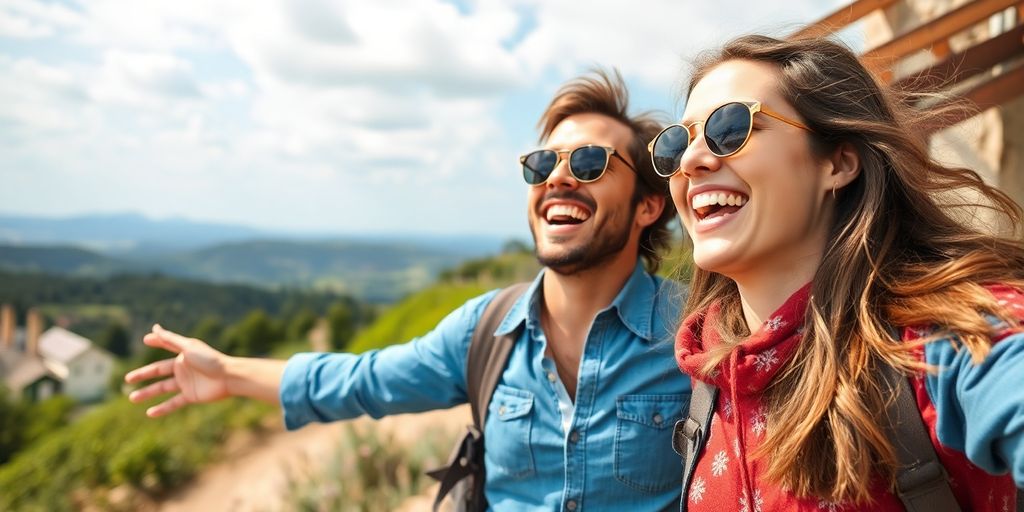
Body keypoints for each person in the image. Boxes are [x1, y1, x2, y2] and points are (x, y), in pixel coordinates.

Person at [126, 69, 691, 510]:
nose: (558, 177)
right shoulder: (484, 331)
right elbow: (363, 380)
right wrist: (228, 374)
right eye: (543, 162)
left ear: (647, 205)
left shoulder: (692, 333)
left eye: (590, 162)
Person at [647, 34, 1024, 510]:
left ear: (838, 162)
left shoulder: (940, 339)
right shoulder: (708, 382)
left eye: (731, 127)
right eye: (677, 143)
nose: (690, 161)